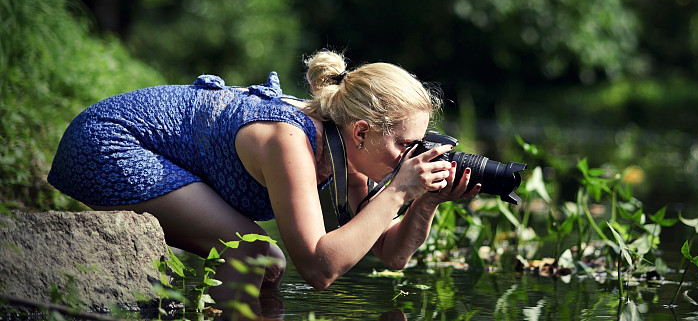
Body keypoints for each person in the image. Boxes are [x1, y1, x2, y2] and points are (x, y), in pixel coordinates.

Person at [48, 49, 480, 306]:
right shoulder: (290, 140)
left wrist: (423, 200)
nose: (413, 156)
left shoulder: (351, 159)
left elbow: (391, 254)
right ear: (362, 131)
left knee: (267, 266)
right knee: (255, 255)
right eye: (406, 146)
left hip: (137, 147)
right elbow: (318, 267)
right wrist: (399, 189)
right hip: (108, 142)